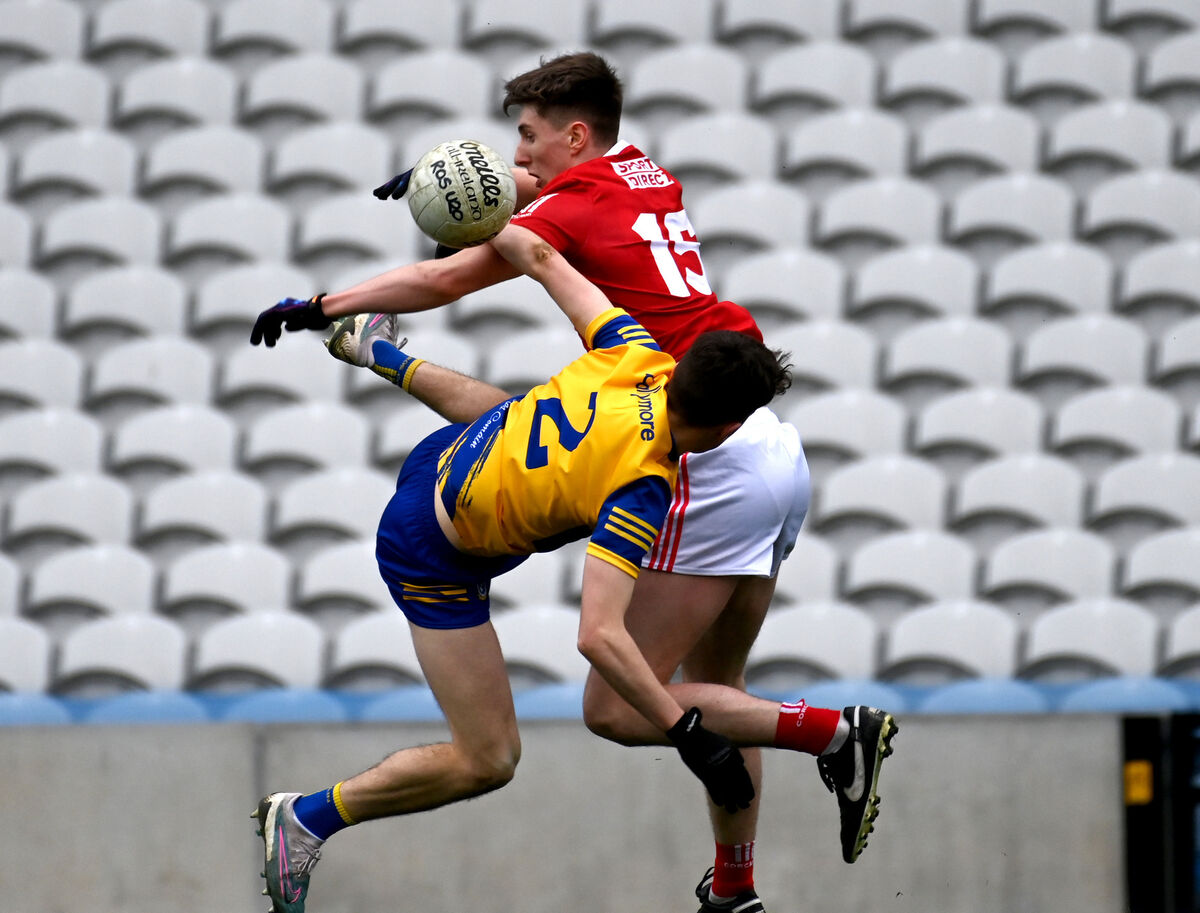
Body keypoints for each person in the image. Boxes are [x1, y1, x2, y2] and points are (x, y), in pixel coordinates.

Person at [249, 52, 897, 913]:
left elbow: (469, 271)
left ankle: (831, 735)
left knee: (624, 708)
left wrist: (325, 302)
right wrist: (473, 196)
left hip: (678, 470)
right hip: (769, 445)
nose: (518, 158)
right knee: (716, 694)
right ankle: (735, 885)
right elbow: (550, 241)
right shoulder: (642, 195)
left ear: (575, 134)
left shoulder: (639, 451)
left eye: (526, 139)